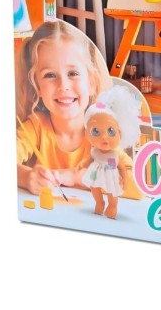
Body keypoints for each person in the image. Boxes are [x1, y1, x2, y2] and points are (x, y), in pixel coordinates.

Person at [16, 20, 111, 194]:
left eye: (73, 73)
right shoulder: (36, 127)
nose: (63, 86)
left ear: (91, 83)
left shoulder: (103, 132)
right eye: (50, 75)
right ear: (38, 87)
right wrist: (26, 177)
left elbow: (134, 183)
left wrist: (75, 177)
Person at [79, 86, 141, 219]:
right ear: (87, 133)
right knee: (94, 188)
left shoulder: (115, 154)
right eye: (95, 131)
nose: (104, 137)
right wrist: (81, 166)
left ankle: (112, 205)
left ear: (120, 133)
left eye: (111, 131)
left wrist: (124, 178)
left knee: (112, 191)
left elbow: (122, 167)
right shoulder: (94, 151)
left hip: (111, 175)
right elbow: (88, 160)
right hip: (95, 174)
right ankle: (99, 202)